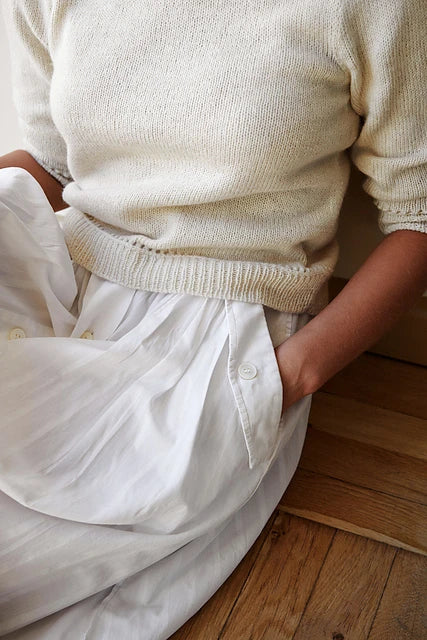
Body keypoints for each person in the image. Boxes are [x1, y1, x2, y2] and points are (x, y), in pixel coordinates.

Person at [0, 0, 426, 638]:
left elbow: (419, 215)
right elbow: (52, 165)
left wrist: (290, 375)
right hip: (55, 264)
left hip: (212, 328)